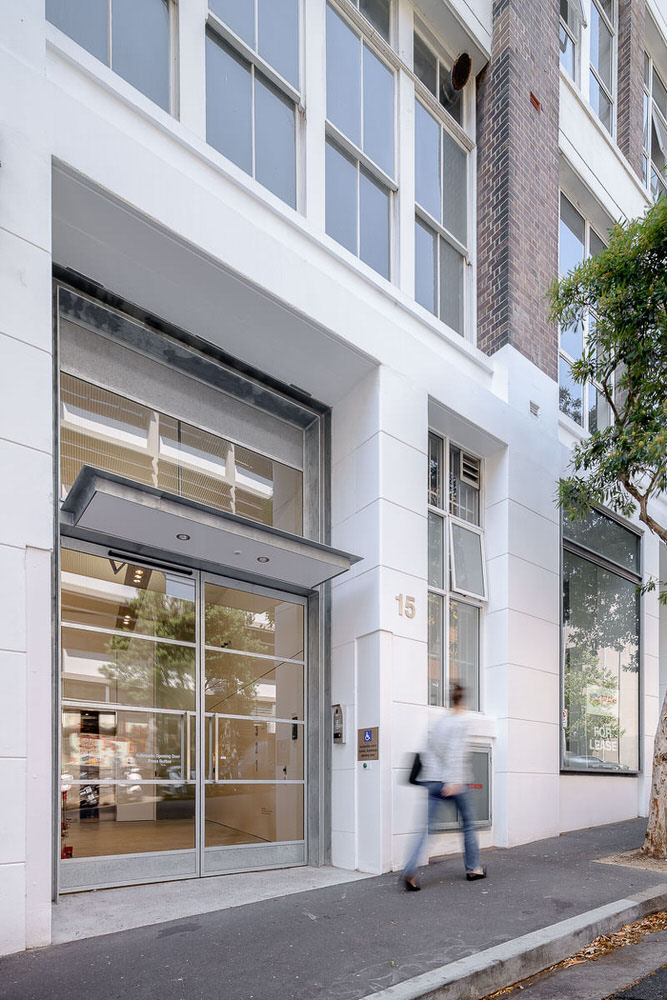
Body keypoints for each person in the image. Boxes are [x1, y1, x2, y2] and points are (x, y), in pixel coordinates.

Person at [403, 683, 486, 890]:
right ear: (462, 700)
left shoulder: (439, 723)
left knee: (426, 829)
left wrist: (432, 779)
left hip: (431, 780)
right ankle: (473, 868)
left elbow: (427, 751)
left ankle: (410, 869)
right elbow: (455, 752)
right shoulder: (460, 722)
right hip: (453, 782)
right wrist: (452, 781)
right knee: (468, 824)